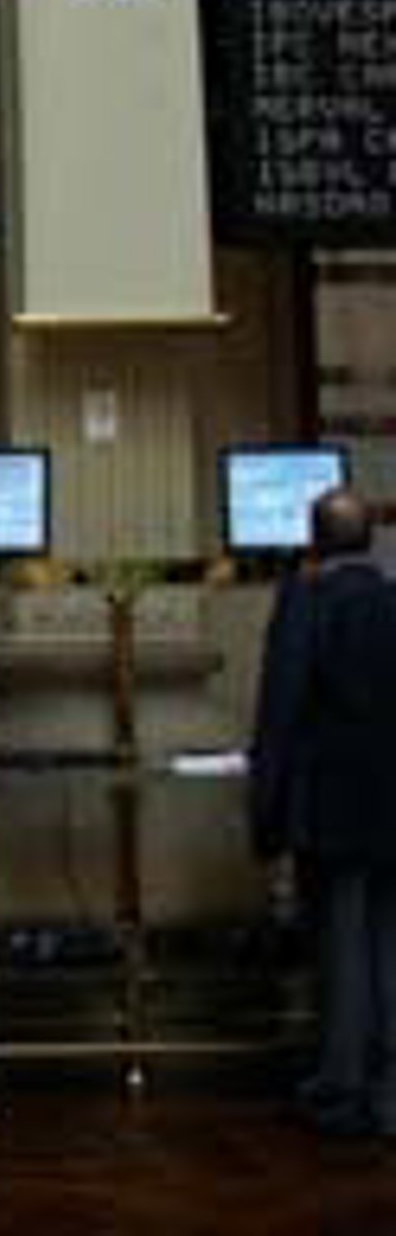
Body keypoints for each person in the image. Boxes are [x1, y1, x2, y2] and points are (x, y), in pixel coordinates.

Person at [249, 484, 396, 1139]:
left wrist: (266, 819)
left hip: (331, 806)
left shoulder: (304, 603)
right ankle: (390, 1096)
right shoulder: (393, 600)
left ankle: (341, 1089)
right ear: (371, 538)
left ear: (312, 541)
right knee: (390, 948)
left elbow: (279, 716)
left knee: (339, 950)